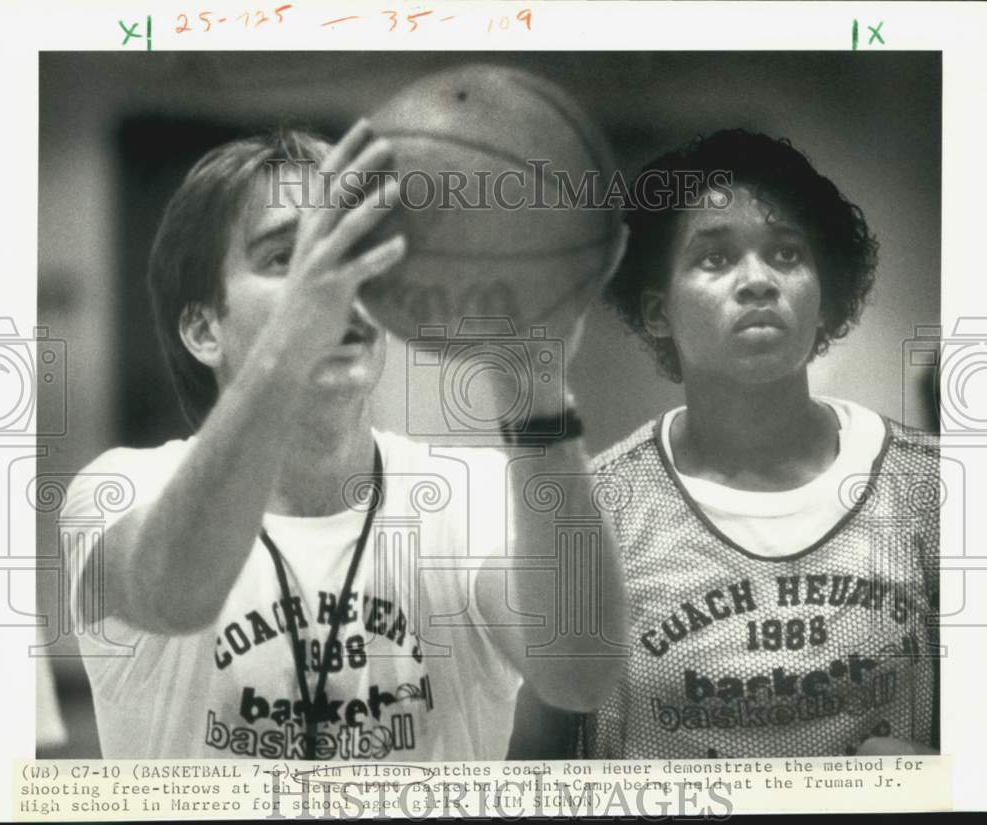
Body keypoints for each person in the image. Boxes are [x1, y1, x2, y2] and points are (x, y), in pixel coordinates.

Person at [61, 121, 628, 760]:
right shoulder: (119, 489)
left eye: (356, 253)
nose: (338, 288)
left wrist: (537, 387)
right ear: (203, 330)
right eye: (287, 258)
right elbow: (176, 596)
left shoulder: (471, 495)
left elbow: (580, 675)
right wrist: (294, 337)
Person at [580, 129, 940, 759]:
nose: (758, 281)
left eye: (786, 254)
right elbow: (534, 768)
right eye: (715, 259)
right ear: (658, 310)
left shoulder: (933, 490)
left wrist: (952, 779)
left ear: (824, 297)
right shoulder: (596, 509)